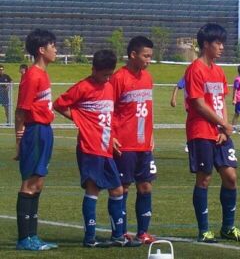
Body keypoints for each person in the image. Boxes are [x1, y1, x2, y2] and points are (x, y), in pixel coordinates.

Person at [53, 50, 141, 248]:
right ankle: (90, 238)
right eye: (104, 75)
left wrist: (112, 138)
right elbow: (58, 104)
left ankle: (118, 236)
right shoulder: (84, 87)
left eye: (110, 74)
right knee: (94, 189)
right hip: (89, 147)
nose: (107, 78)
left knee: (117, 189)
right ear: (94, 70)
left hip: (105, 147)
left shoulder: (109, 87)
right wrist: (80, 119)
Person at [184, 23, 240, 243]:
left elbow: (221, 102)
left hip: (219, 132)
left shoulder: (218, 71)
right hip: (201, 131)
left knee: (231, 176)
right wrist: (223, 124)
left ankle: (228, 227)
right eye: (218, 43)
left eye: (222, 43)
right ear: (205, 44)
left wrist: (224, 127)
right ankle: (204, 230)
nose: (221, 47)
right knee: (205, 178)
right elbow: (199, 104)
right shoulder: (195, 70)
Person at [14, 29, 59, 251]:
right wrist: (19, 140)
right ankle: (25, 238)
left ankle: (33, 236)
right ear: (42, 50)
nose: (56, 49)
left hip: (45, 130)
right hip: (35, 131)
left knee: (38, 182)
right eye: (53, 46)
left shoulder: (44, 73)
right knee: (29, 182)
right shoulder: (32, 75)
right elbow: (21, 110)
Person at [111, 36, 157, 244]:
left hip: (144, 144)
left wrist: (152, 135)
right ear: (133, 55)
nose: (149, 60)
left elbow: (148, 110)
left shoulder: (147, 78)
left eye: (150, 56)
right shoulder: (119, 78)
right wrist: (111, 136)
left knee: (146, 186)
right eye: (146, 56)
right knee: (123, 187)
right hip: (125, 143)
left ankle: (142, 233)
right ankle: (120, 232)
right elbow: (108, 108)